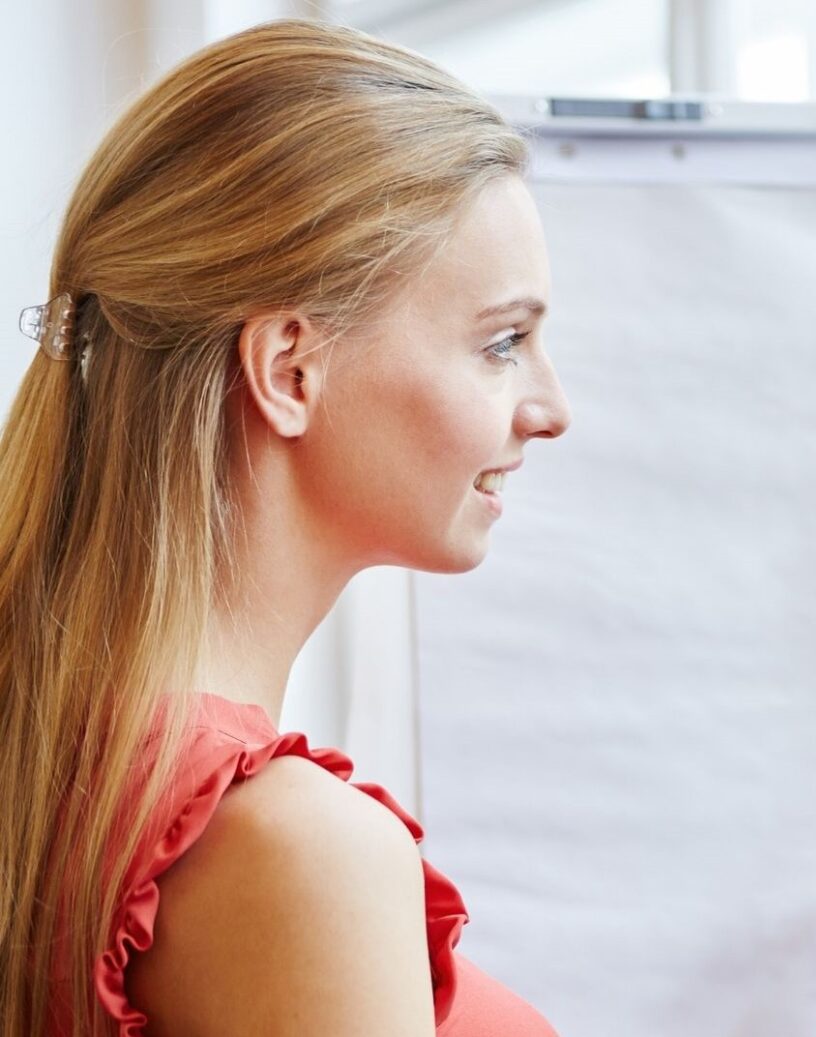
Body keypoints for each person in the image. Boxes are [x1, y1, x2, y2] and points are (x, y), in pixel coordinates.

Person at [0, 21, 569, 1035]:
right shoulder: (296, 850)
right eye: (502, 342)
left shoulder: (56, 758)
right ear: (289, 370)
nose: (551, 407)